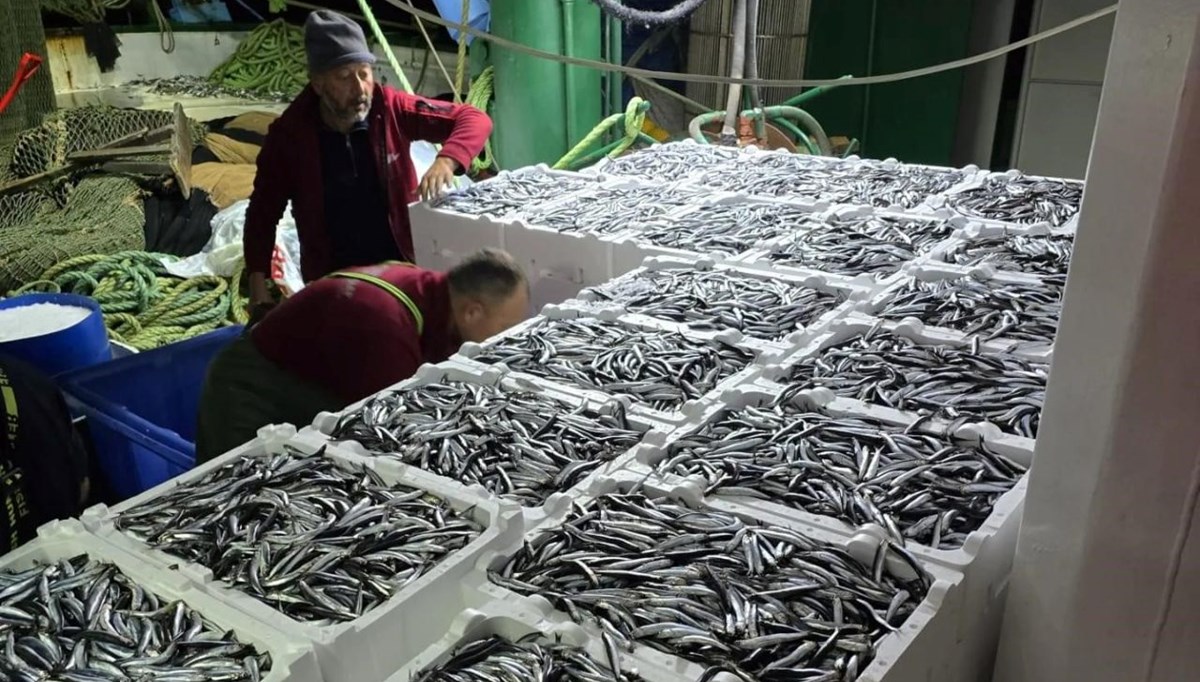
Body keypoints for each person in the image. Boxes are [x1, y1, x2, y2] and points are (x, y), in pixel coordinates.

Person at [243, 9, 493, 316]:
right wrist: (258, 286)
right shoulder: (289, 136)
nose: (360, 88)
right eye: (345, 77)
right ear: (318, 84)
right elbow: (262, 214)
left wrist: (447, 159)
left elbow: (473, 118)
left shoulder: (390, 108)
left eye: (364, 73)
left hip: (401, 266)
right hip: (334, 280)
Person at [195, 249, 530, 463]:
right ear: (472, 312)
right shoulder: (386, 327)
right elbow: (387, 432)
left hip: (310, 374)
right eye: (505, 326)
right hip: (249, 386)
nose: (506, 338)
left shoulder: (430, 292)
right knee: (232, 482)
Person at [0, 354, 89, 551]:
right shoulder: (28, 381)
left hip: (46, 551)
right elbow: (81, 487)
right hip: (55, 540)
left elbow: (80, 487)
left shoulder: (28, 387)